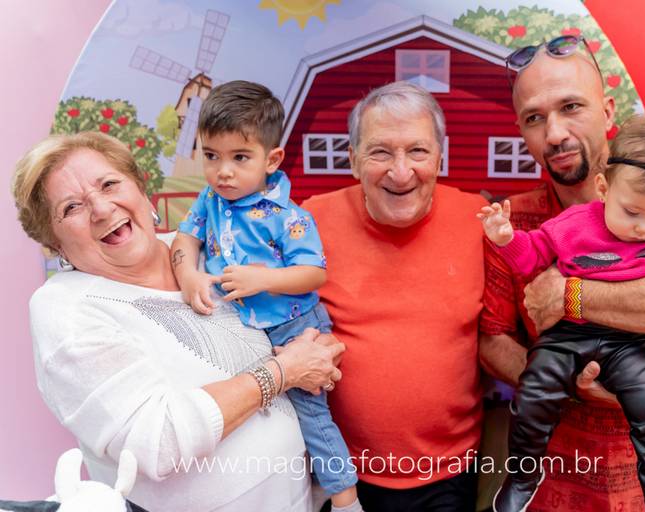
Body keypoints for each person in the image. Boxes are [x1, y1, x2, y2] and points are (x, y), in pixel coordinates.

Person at [12, 131, 345, 512]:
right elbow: (157, 443)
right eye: (71, 207)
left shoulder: (205, 248)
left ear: (141, 190)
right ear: (54, 242)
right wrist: (284, 372)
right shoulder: (65, 308)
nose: (102, 209)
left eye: (109, 184)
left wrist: (318, 348)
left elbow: (290, 321)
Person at [478, 37, 645, 512]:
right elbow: (492, 339)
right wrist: (572, 383)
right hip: (558, 488)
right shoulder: (515, 222)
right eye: (534, 118)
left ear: (606, 112)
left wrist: (570, 296)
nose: (554, 133)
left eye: (571, 107)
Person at [171, 81, 361, 512]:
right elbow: (186, 237)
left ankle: (346, 499)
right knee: (259, 412)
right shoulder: (210, 200)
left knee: (311, 416)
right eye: (211, 156)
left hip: (294, 325)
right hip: (244, 327)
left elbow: (314, 273)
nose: (223, 172)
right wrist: (188, 275)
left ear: (271, 160)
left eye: (239, 158)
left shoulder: (290, 217)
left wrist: (264, 279)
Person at [302, 81, 487, 512]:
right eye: (381, 152)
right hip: (341, 476)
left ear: (440, 158)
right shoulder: (309, 222)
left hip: (451, 473)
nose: (401, 172)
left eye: (417, 151)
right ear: (353, 160)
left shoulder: (478, 220)